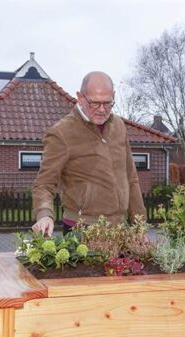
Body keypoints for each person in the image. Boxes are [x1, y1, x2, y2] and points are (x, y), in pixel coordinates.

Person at [31, 71, 145, 236]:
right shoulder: (62, 133)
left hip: (120, 227)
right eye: (95, 103)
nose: (102, 109)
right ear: (80, 97)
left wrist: (139, 226)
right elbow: (44, 183)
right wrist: (44, 215)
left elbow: (131, 178)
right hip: (82, 229)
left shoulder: (119, 125)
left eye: (107, 103)